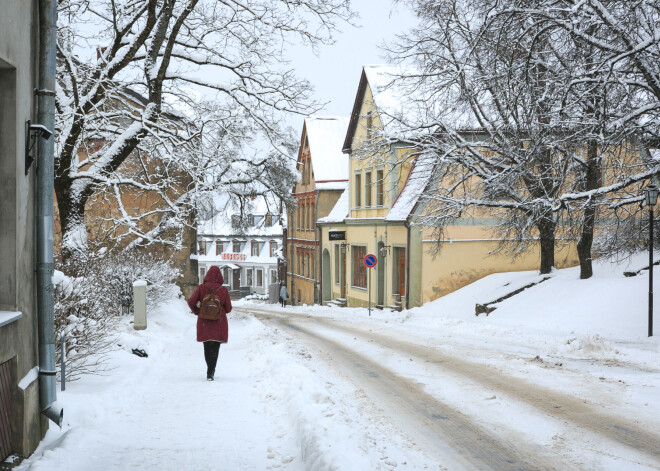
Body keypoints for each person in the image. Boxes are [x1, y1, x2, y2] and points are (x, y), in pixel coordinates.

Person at [188, 266, 232, 381]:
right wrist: (220, 310)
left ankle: (209, 371)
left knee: (207, 347)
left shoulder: (201, 288)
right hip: (219, 323)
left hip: (204, 321)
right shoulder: (223, 290)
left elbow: (191, 301)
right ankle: (211, 371)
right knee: (215, 348)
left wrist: (197, 311)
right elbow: (228, 308)